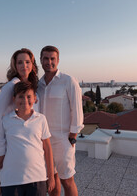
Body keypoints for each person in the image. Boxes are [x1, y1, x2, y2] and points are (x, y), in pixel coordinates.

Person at [0, 48, 39, 195]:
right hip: (8, 140)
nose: (24, 65)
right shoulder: (11, 86)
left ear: (32, 65)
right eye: (20, 62)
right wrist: (0, 148)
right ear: (15, 66)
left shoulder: (31, 85)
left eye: (27, 62)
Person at [37, 46, 84, 196]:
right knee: (52, 178)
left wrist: (72, 137)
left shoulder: (68, 81)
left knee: (67, 180)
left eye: (52, 59)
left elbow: (77, 110)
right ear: (40, 60)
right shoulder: (39, 85)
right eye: (46, 58)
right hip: (43, 140)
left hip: (63, 140)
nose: (49, 62)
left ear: (58, 60)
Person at [0, 81, 54, 196]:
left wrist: (51, 176)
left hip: (37, 178)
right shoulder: (6, 120)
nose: (25, 100)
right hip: (11, 180)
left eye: (29, 96)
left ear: (35, 99)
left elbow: (48, 149)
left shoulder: (41, 119)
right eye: (20, 97)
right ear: (14, 99)